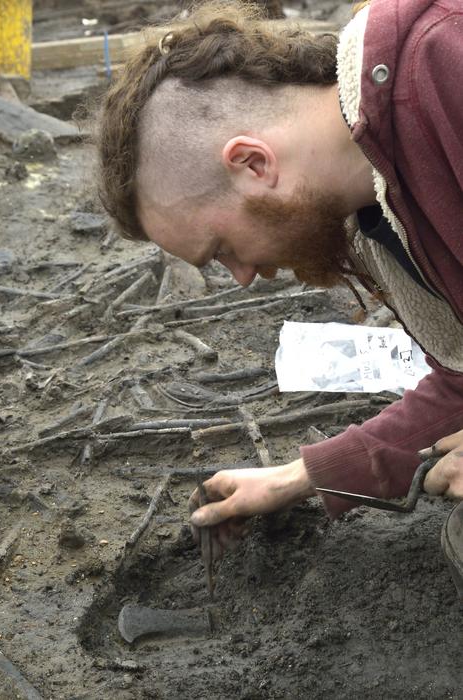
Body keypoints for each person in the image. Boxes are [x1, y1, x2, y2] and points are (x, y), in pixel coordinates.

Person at [96, 0, 463, 558]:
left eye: (221, 250)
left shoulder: (446, 63)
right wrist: (298, 478)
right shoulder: (373, 214)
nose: (242, 277)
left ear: (252, 163)